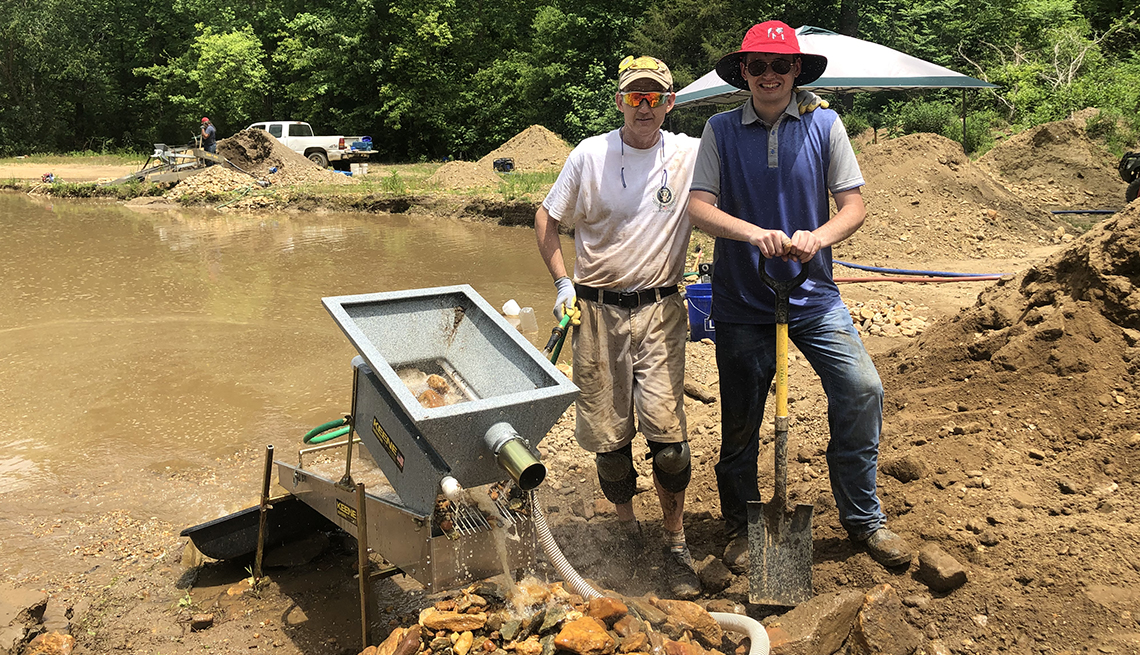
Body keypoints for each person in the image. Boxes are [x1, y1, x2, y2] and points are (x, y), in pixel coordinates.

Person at [686, 21, 916, 572]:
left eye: (780, 65)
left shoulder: (825, 124)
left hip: (813, 296)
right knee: (741, 423)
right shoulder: (719, 130)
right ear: (743, 72)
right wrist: (751, 234)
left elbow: (853, 205)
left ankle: (863, 519)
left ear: (796, 71)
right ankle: (742, 525)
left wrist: (820, 237)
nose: (769, 75)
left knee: (861, 389)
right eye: (758, 66)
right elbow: (697, 205)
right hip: (742, 299)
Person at [535, 55, 703, 599]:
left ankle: (675, 545)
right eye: (635, 97)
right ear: (620, 102)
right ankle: (628, 530)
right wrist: (563, 284)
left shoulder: (689, 154)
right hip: (597, 312)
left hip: (660, 310)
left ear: (670, 103)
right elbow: (547, 218)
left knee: (670, 444)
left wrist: (799, 110)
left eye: (655, 97)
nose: (645, 107)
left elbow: (739, 171)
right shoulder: (590, 154)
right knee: (609, 447)